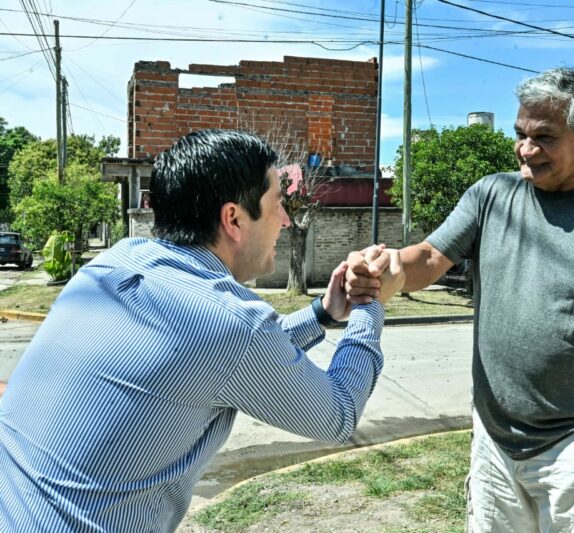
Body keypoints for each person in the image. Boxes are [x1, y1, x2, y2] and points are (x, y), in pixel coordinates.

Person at [0, 129, 405, 532]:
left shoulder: (115, 262)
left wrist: (324, 312)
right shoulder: (231, 324)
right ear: (233, 219)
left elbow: (227, 350)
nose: (285, 220)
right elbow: (338, 415)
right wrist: (370, 302)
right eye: (278, 204)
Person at [347, 68, 574, 532]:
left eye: (544, 137)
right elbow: (428, 257)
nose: (526, 150)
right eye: (520, 135)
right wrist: (387, 269)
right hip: (494, 447)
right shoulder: (492, 195)